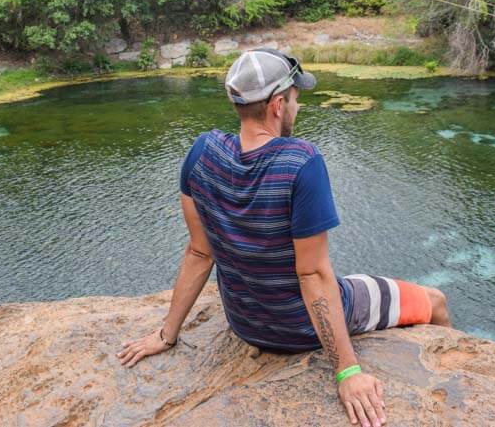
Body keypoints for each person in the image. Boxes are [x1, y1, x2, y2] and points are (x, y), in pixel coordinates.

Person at [117, 48, 451, 427]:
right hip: (299, 329)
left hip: (245, 325)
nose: (298, 105)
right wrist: (347, 372)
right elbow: (313, 277)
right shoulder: (300, 162)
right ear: (278, 104)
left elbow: (199, 251)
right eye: (295, 97)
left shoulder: (201, 153)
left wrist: (167, 334)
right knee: (434, 300)